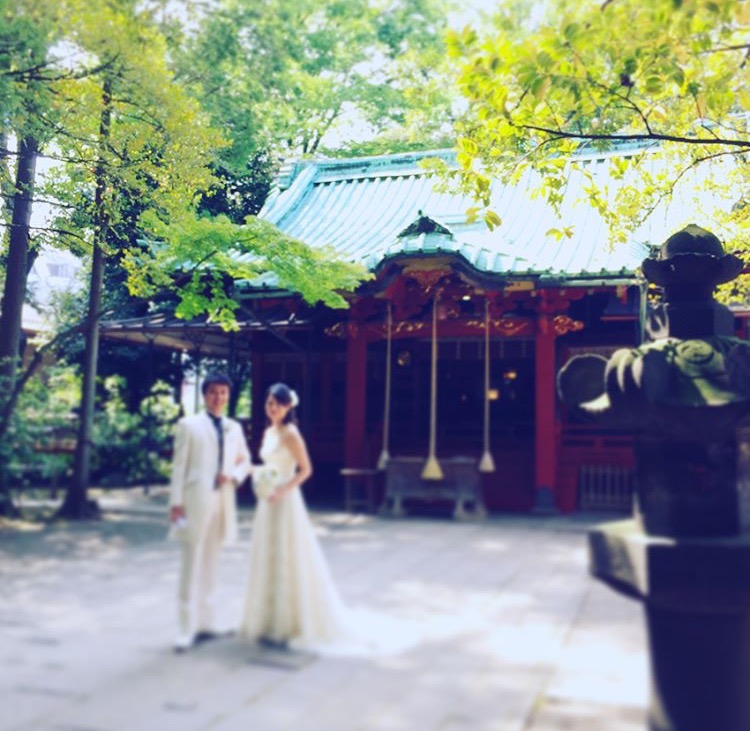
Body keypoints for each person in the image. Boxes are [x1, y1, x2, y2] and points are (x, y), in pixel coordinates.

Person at [239, 382, 349, 648]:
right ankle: (267, 621)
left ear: (288, 407)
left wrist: (282, 490)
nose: (272, 408)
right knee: (267, 554)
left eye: (278, 404)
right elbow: (269, 465)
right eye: (269, 403)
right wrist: (255, 473)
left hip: (285, 500)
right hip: (268, 500)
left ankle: (287, 624)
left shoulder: (291, 433)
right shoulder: (269, 431)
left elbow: (306, 469)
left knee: (286, 554)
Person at [169, 372, 251, 652]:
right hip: (194, 500)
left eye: (223, 392)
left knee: (211, 564)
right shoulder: (189, 425)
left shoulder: (233, 428)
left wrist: (233, 475)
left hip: (222, 500)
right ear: (205, 395)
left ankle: (207, 623)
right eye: (214, 392)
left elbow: (245, 461)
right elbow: (179, 466)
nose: (219, 397)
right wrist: (176, 503)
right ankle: (184, 629)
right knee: (191, 565)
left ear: (228, 396)